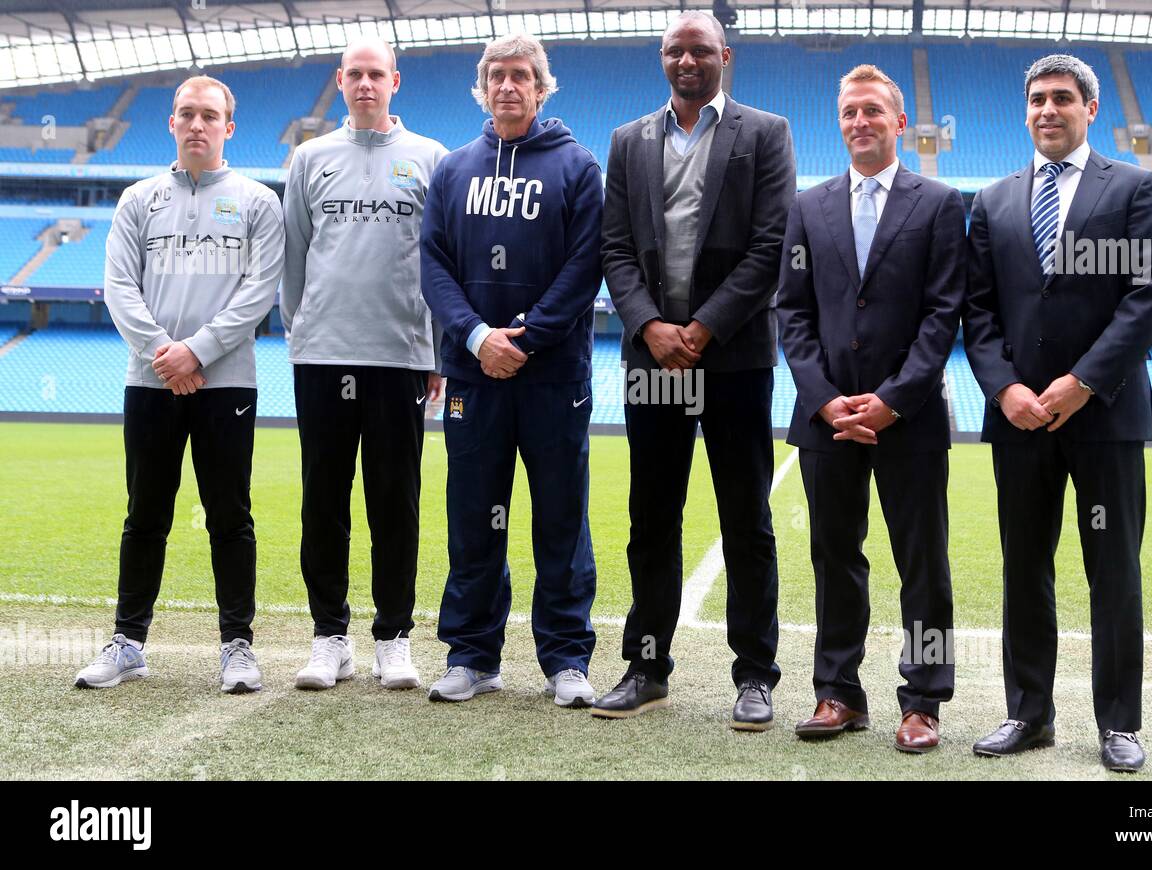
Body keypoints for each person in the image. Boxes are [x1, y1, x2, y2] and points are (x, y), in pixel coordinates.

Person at [963, 54, 1152, 772]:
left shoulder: (1136, 188)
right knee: (1025, 566)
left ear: (1090, 109)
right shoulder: (991, 201)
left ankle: (1119, 721)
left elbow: (1146, 298)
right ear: (1025, 113)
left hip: (1105, 415)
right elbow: (978, 311)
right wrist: (1004, 389)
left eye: (1061, 98)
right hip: (1020, 420)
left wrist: (1082, 382)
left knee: (1112, 567)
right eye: (1036, 100)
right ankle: (1028, 713)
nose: (1047, 110)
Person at [596, 11, 796, 730]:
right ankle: (647, 667)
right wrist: (651, 326)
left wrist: (703, 328)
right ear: (663, 58)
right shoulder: (628, 141)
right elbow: (614, 247)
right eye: (675, 50)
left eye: (700, 50)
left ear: (724, 56)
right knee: (651, 520)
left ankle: (756, 676)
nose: (687, 60)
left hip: (734, 357)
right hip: (652, 357)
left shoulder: (765, 133)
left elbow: (770, 246)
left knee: (746, 518)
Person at [776, 65, 965, 748]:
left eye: (873, 113)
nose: (860, 122)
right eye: (850, 112)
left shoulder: (940, 204)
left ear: (900, 124)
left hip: (908, 420)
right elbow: (791, 313)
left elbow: (945, 316)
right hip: (826, 422)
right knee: (834, 556)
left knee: (924, 561)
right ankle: (838, 693)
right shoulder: (809, 206)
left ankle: (924, 700)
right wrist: (825, 402)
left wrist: (890, 400)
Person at [79, 74, 284, 694]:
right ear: (171, 123)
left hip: (228, 384)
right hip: (150, 382)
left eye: (209, 116)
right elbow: (119, 287)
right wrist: (163, 353)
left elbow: (259, 290)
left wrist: (197, 350)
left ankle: (238, 646)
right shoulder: (138, 200)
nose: (197, 125)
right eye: (186, 114)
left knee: (230, 516)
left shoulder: (257, 202)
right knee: (145, 515)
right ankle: (128, 642)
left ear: (229, 127)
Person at [421, 33, 604, 708]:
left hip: (553, 377)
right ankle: (472, 655)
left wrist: (524, 338)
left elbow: (586, 267)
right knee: (475, 517)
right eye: (496, 76)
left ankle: (565, 659)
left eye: (520, 76)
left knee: (560, 517)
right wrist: (475, 337)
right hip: (473, 377)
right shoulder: (454, 168)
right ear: (482, 87)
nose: (507, 86)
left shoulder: (578, 167)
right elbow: (432, 265)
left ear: (541, 87)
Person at [281, 37, 448, 691]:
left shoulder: (431, 158)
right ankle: (330, 638)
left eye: (376, 74)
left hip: (399, 357)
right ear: (341, 81)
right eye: (354, 74)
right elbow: (293, 257)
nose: (365, 84)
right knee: (324, 501)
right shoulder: (310, 159)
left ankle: (394, 639)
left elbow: (440, 263)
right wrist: (306, 328)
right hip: (323, 355)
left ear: (395, 81)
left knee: (394, 502)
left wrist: (433, 350)